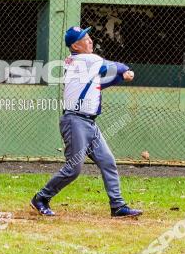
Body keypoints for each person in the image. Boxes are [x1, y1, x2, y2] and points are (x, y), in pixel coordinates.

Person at [31, 26, 142, 218]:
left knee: (107, 162)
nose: (90, 41)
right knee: (74, 168)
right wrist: (126, 72)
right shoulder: (88, 59)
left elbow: (97, 84)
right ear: (75, 45)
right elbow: (117, 66)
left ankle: (117, 206)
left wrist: (119, 78)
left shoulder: (78, 62)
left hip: (88, 123)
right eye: (85, 39)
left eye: (89, 37)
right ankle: (41, 198)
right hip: (75, 121)